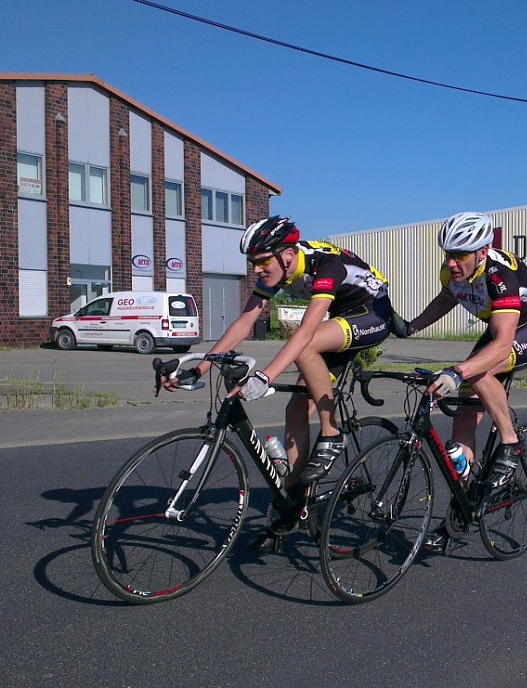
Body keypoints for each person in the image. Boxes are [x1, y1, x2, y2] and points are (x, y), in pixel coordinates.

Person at [162, 215, 394, 548]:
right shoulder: (275, 273)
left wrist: (266, 376)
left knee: (308, 345)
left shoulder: (324, 266)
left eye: (260, 262)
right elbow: (246, 320)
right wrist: (201, 367)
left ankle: (332, 434)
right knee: (295, 406)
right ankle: (294, 503)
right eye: (252, 263)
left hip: (372, 314)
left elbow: (305, 333)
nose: (256, 269)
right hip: (342, 318)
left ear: (287, 254)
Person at [396, 212, 527, 550]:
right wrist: (411, 327)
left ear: (482, 252)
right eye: (448, 254)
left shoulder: (501, 276)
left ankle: (511, 443)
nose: (452, 263)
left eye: (460, 255)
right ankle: (461, 512)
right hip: (499, 329)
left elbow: (500, 345)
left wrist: (458, 372)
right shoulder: (452, 273)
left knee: (477, 371)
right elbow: (445, 300)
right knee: (465, 420)